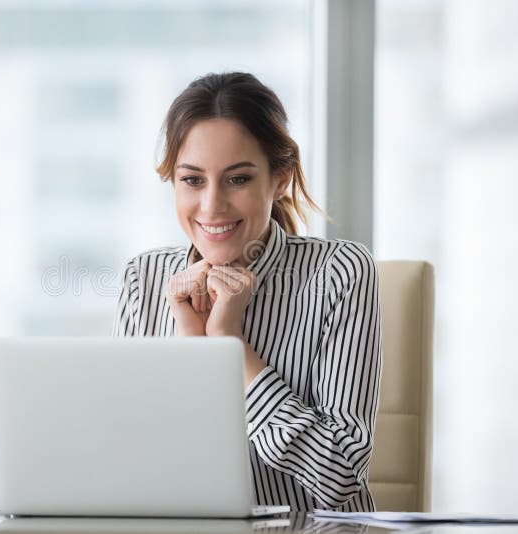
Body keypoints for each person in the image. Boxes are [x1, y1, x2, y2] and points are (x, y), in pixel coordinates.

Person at [112, 72, 381, 512]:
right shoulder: (144, 278)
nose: (212, 205)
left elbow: (340, 476)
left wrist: (231, 345)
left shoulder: (340, 272)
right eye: (192, 180)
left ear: (279, 179)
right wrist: (189, 348)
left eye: (237, 179)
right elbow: (124, 462)